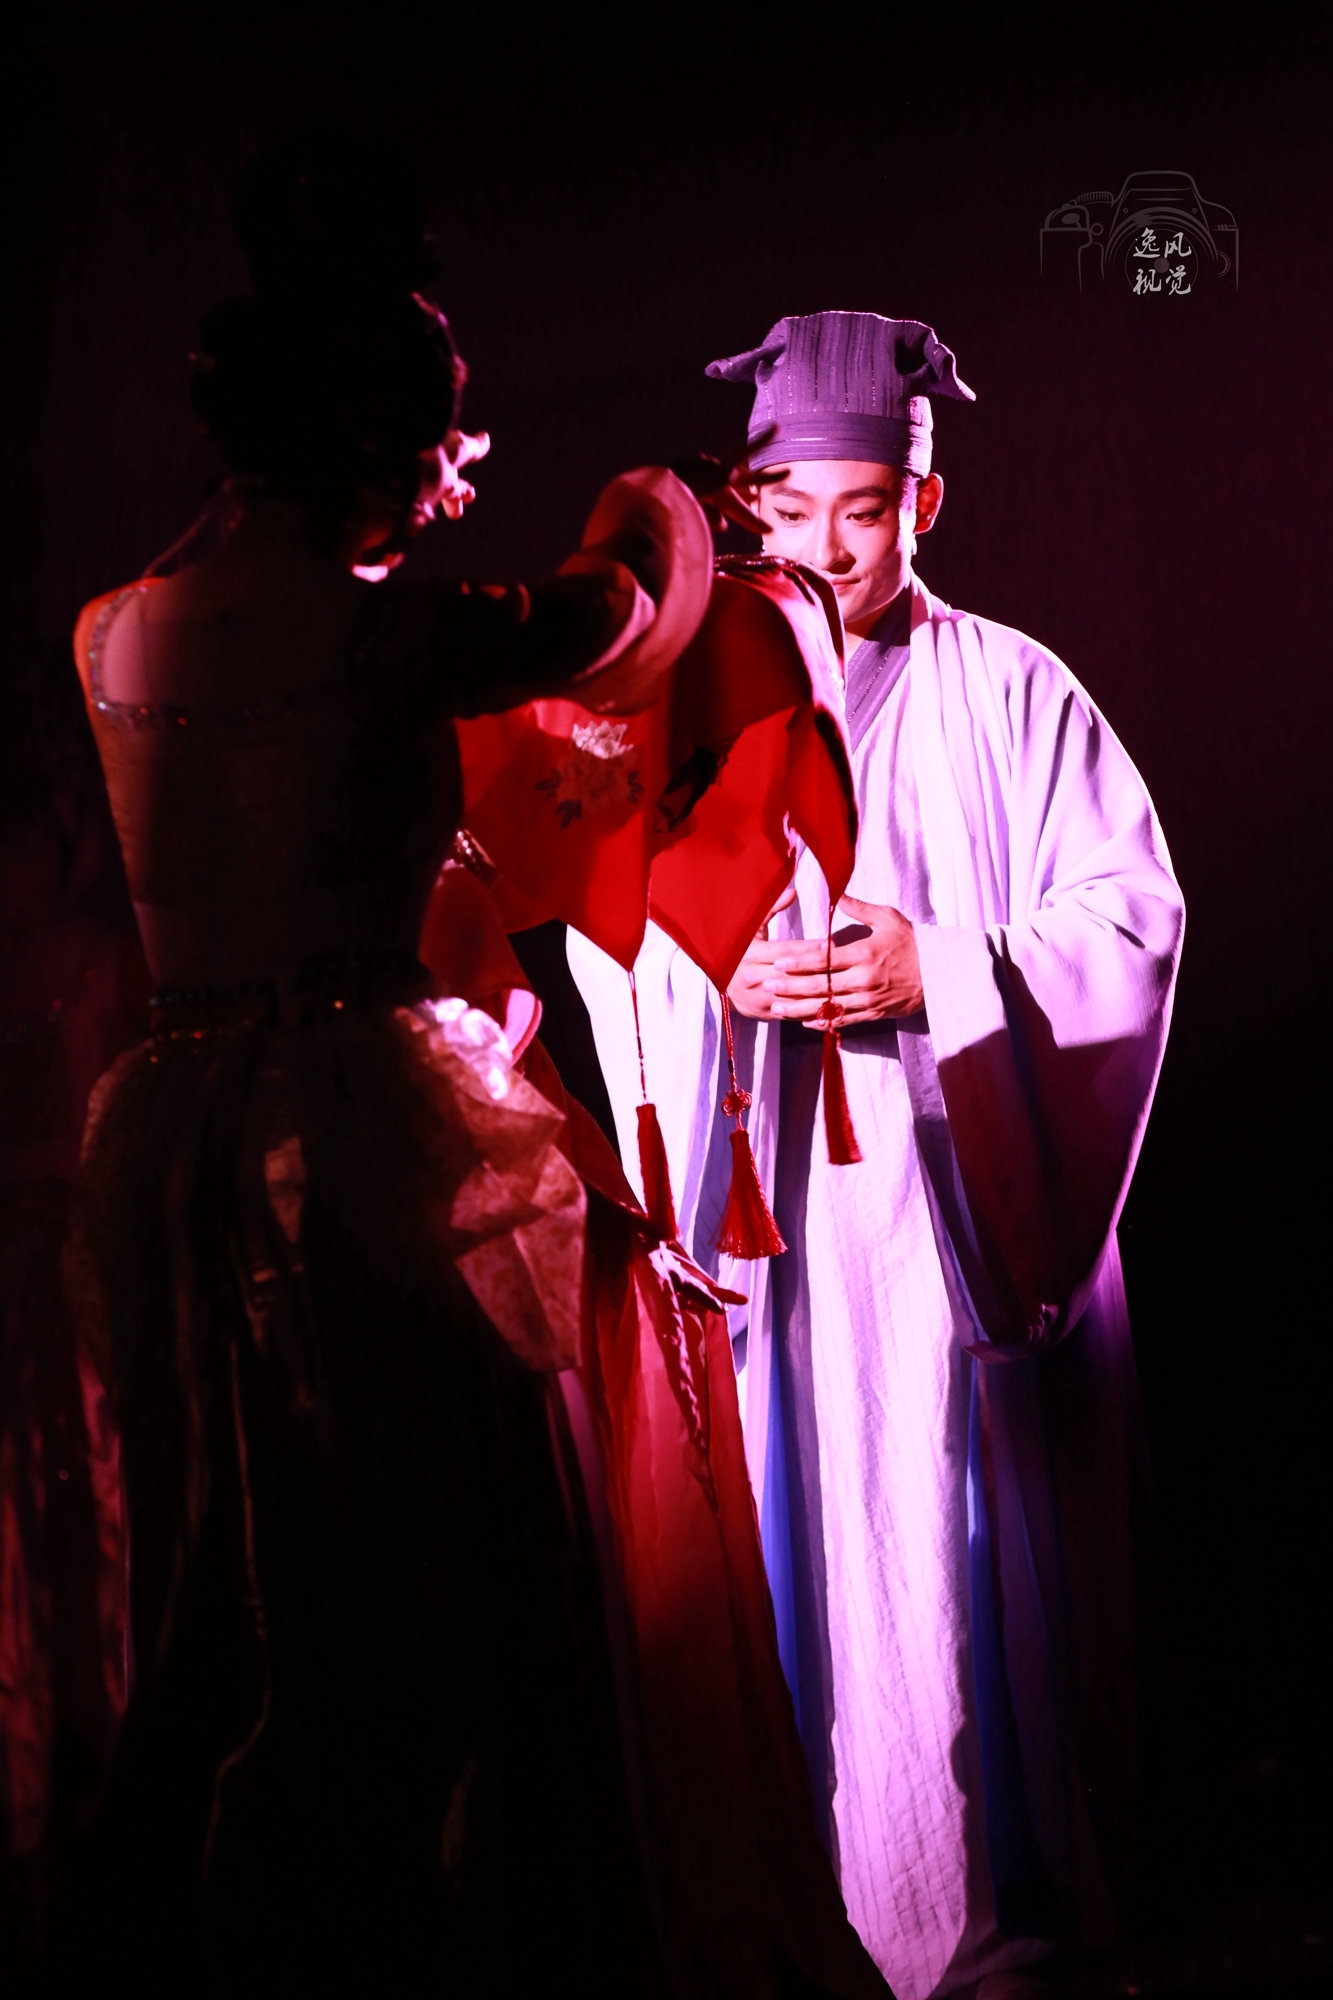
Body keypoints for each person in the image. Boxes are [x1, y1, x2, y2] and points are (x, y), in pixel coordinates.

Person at [44, 141, 887, 2000]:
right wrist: (659, 509)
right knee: (419, 1577)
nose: (444, 485)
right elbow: (627, 609)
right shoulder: (386, 630)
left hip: (176, 1136)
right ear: (380, 440)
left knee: (215, 1578)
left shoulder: (109, 627)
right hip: (359, 1129)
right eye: (433, 447)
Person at [569, 310, 1185, 1998]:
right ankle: (800, 1907)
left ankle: (980, 1912)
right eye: (788, 511)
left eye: (861, 512)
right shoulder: (693, 691)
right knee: (787, 1531)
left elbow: (1130, 920)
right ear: (744, 505)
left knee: (942, 1537)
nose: (824, 549)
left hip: (943, 1194)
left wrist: (945, 969)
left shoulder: (1012, 691)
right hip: (766, 1201)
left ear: (924, 503)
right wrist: (706, 975)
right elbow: (610, 937)